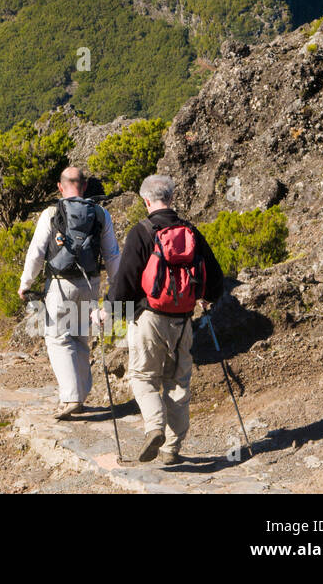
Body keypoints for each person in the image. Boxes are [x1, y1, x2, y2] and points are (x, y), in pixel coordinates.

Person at [107, 173, 225, 464]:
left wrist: (112, 312)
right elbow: (215, 277)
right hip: (184, 319)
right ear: (171, 198)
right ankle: (172, 448)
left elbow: (126, 280)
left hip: (149, 318)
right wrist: (208, 298)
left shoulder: (142, 231)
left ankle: (154, 426)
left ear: (146, 200)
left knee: (143, 377)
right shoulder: (190, 231)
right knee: (178, 382)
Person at [19, 166, 121, 419]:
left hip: (60, 283)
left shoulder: (52, 213)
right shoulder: (100, 213)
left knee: (57, 337)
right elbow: (112, 254)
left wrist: (26, 283)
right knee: (80, 337)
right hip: (91, 281)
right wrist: (115, 289)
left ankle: (71, 397)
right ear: (85, 186)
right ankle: (81, 394)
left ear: (60, 186)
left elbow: (37, 252)